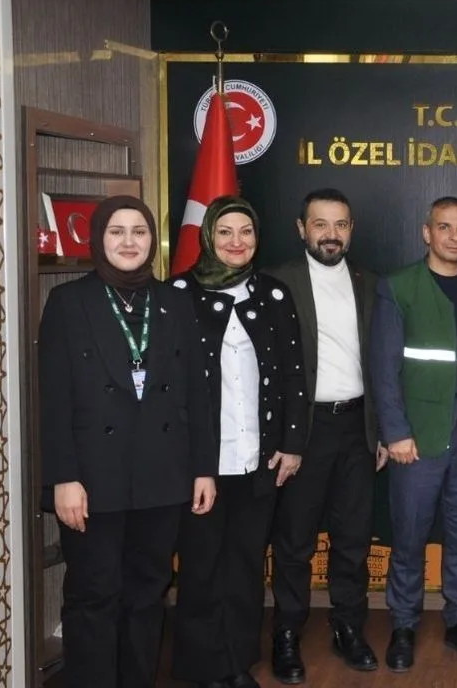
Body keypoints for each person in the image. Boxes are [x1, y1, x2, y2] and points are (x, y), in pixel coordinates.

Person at [39, 195, 217, 687]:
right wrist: (63, 478)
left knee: (147, 593)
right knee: (93, 594)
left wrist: (203, 468)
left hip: (163, 476)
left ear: (152, 241)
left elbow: (196, 394)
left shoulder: (175, 302)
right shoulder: (68, 302)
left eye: (139, 232)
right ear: (99, 239)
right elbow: (53, 400)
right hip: (92, 479)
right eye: (116, 232)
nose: (129, 242)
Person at [170, 196, 308, 688]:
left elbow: (294, 374)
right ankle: (203, 667)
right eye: (225, 232)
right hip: (202, 463)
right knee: (202, 566)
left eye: (245, 232)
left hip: (259, 458)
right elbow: (170, 388)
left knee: (246, 564)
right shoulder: (178, 294)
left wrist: (293, 443)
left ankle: (236, 662)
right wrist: (191, 462)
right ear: (208, 236)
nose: (236, 242)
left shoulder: (273, 294)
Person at [371, 197, 457, 672]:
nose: (455, 236)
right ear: (426, 233)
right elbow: (384, 369)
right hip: (418, 439)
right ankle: (404, 624)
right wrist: (396, 432)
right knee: (409, 536)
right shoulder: (399, 287)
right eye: (445, 227)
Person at [266, 188, 382, 684]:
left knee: (353, 538)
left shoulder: (370, 283)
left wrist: (380, 429)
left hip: (357, 427)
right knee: (295, 541)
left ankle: (348, 627)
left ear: (351, 229)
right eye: (320, 224)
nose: (331, 235)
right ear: (302, 229)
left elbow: (382, 363)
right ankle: (287, 633)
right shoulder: (276, 282)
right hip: (303, 429)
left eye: (340, 225)